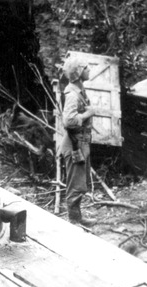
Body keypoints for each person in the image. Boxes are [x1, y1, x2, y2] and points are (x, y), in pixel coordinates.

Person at [59, 58, 97, 227]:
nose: (89, 70)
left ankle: (78, 218)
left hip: (81, 142)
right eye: (86, 68)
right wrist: (88, 113)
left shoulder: (79, 90)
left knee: (80, 183)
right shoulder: (73, 95)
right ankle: (74, 221)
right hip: (75, 144)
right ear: (78, 72)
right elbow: (69, 121)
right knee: (75, 186)